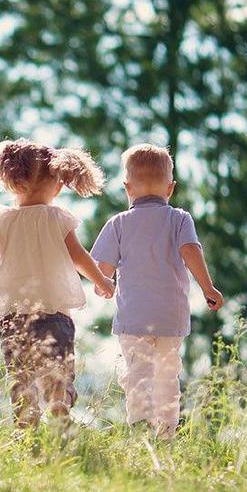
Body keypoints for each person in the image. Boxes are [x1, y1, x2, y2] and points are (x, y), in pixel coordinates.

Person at [0, 138, 115, 428]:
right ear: (57, 184)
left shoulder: (2, 219)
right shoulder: (57, 217)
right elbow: (79, 257)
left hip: (13, 316)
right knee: (57, 373)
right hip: (54, 314)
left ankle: (26, 430)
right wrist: (102, 281)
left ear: (14, 181)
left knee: (20, 377)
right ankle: (59, 417)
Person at [90, 143, 224, 440]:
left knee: (138, 375)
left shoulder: (119, 223)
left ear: (127, 188)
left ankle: (139, 431)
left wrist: (104, 285)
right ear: (170, 188)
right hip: (169, 318)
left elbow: (101, 268)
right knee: (167, 378)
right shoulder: (179, 219)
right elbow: (190, 250)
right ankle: (166, 435)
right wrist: (207, 287)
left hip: (134, 319)